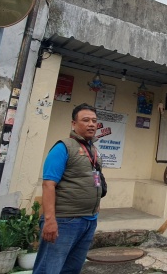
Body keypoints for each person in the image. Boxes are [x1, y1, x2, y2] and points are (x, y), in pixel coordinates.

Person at [33, 103, 104, 274]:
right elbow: (48, 184)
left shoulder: (92, 149)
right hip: (65, 221)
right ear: (73, 124)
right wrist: (50, 220)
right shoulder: (62, 147)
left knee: (72, 268)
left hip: (88, 220)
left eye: (94, 121)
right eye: (85, 120)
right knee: (49, 268)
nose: (91, 124)